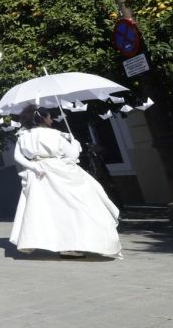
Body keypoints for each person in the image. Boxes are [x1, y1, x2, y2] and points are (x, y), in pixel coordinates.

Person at [10, 105, 121, 258]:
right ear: (43, 118)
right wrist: (75, 144)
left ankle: (37, 240)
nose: (52, 119)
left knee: (43, 210)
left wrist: (34, 167)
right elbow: (72, 156)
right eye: (49, 116)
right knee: (75, 207)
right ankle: (75, 244)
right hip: (59, 171)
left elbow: (18, 157)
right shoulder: (55, 135)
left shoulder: (23, 136)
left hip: (38, 175)